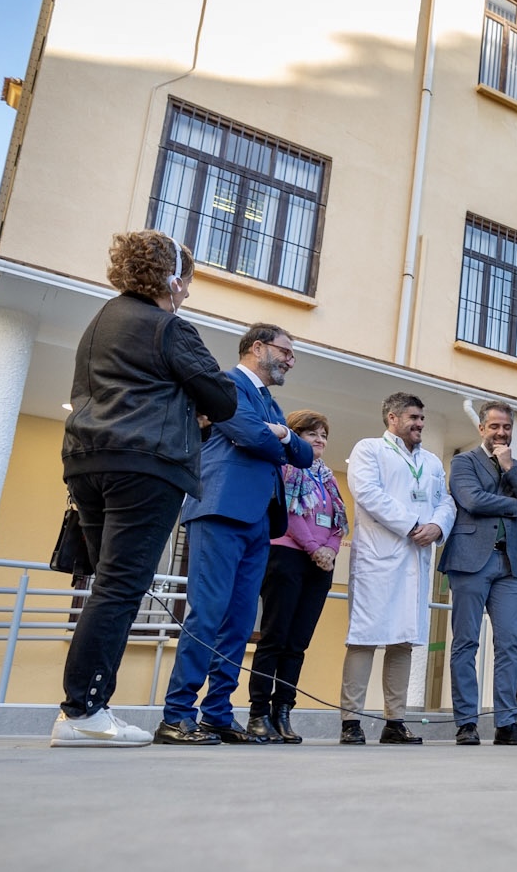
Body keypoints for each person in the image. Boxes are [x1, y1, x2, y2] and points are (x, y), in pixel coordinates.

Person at [53, 231, 236, 748]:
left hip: (87, 461)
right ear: (173, 279)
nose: (188, 293)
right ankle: (84, 712)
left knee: (105, 587)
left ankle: (84, 708)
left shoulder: (100, 322)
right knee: (120, 588)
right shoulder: (169, 327)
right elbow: (222, 399)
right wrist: (191, 399)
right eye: (189, 282)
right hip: (145, 466)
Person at [159, 323, 313, 745]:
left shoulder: (269, 402)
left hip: (260, 521)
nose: (290, 360)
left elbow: (301, 454)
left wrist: (279, 434)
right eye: (285, 350)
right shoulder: (226, 384)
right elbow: (247, 434)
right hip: (220, 510)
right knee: (207, 613)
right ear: (258, 347)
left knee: (240, 623)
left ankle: (218, 714)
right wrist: (277, 436)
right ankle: (176, 714)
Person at [342, 392, 454, 746]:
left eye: (422, 419)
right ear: (392, 418)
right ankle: (351, 721)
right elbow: (367, 493)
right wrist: (411, 524)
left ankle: (395, 721)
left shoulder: (433, 462)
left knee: (404, 641)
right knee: (365, 637)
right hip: (380, 556)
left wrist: (437, 527)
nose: (420, 424)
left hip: (416, 558)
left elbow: (446, 501)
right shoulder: (369, 449)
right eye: (413, 418)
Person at [440, 400, 517, 745]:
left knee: (511, 644)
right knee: (466, 642)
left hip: (510, 564)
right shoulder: (463, 462)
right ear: (482, 428)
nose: (501, 432)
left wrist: (510, 467)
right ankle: (466, 723)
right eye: (495, 426)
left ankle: (506, 724)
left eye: (507, 427)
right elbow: (471, 500)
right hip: (470, 560)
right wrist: (516, 506)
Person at [243, 410, 346, 745]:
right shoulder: (286, 468)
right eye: (312, 433)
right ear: (294, 435)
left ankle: (283, 710)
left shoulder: (328, 478)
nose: (319, 440)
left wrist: (330, 549)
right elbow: (289, 513)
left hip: (318, 566)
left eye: (323, 435)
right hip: (286, 556)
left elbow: (338, 523)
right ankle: (258, 714)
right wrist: (316, 547)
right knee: (274, 638)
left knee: (298, 643)